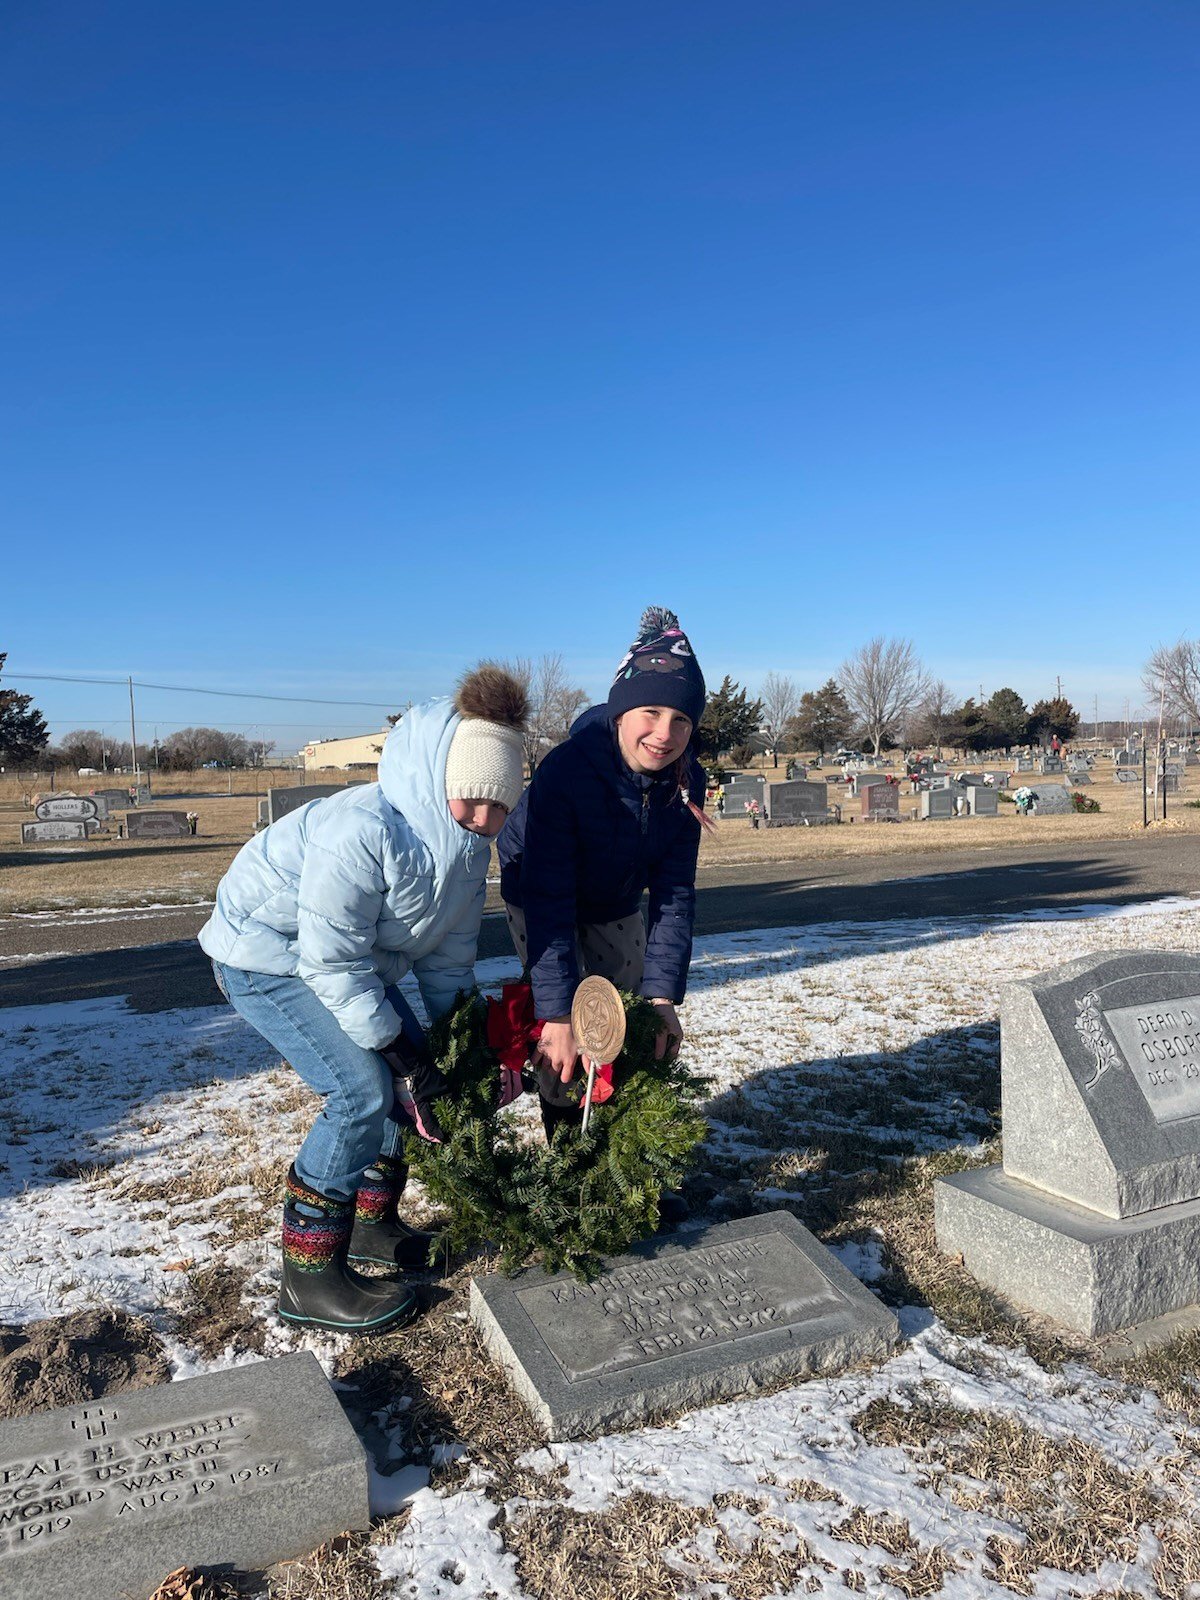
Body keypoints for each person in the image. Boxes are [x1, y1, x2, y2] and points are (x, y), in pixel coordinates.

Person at [199, 667, 527, 1335]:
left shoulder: (467, 852)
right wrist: (403, 1054)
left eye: (501, 806)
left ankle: (371, 1227)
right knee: (360, 1091)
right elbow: (330, 960)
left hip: (342, 968)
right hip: (264, 955)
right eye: (471, 800)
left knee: (405, 1080)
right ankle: (309, 1276)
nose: (485, 821)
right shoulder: (362, 829)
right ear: (439, 780)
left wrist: (464, 1046)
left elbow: (447, 961)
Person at [497, 606, 709, 1163]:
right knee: (566, 1035)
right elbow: (549, 899)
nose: (665, 734)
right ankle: (573, 1165)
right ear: (620, 712)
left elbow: (674, 896)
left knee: (627, 1023)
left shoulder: (688, 783)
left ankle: (625, 1167)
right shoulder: (566, 774)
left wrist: (663, 997)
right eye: (651, 711)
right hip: (540, 896)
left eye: (682, 720)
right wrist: (560, 1013)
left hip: (617, 901)